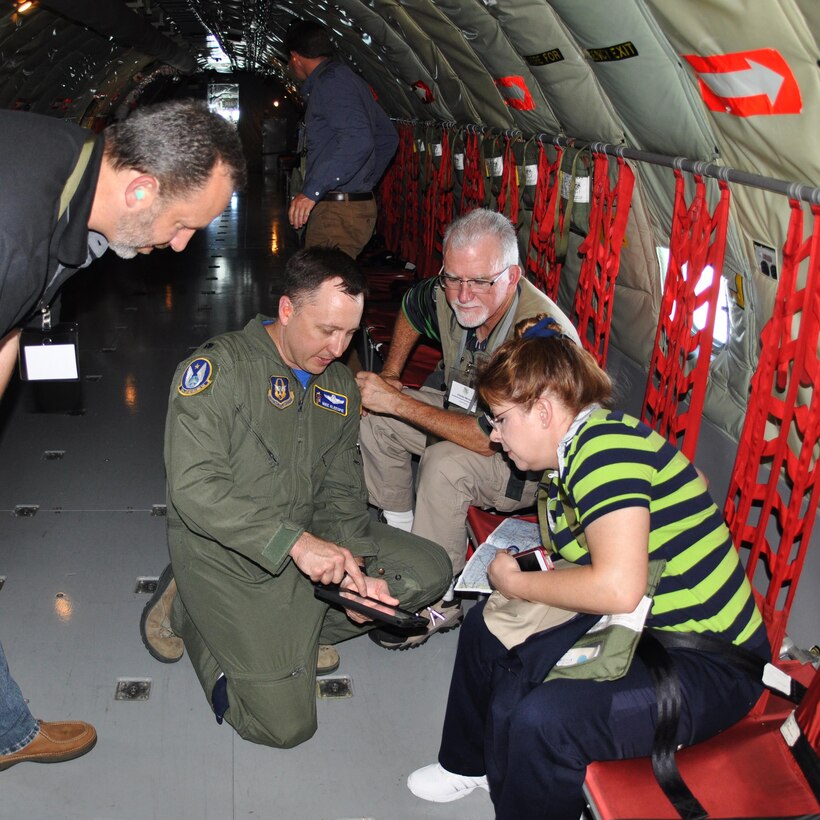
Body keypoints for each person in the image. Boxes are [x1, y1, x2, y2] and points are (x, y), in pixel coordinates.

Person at [406, 316, 769, 819]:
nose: (494, 438)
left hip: (711, 663)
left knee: (545, 721)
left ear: (544, 410)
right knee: (488, 632)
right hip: (646, 619)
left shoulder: (601, 451)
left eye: (501, 419)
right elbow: (694, 482)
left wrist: (519, 580)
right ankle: (468, 767)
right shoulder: (575, 453)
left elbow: (619, 587)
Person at [0, 100, 246, 771]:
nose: (181, 244)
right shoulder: (14, 230)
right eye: (183, 224)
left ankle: (6, 730)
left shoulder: (71, 169)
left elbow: (11, 325)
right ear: (141, 187)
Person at [139, 247, 450, 748]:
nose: (338, 346)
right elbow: (194, 490)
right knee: (285, 727)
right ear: (287, 310)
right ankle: (188, 613)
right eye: (326, 329)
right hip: (226, 557)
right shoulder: (219, 373)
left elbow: (343, 491)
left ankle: (296, 634)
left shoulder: (340, 387)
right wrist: (297, 544)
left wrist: (360, 573)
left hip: (308, 543)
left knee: (429, 571)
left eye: (349, 333)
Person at [356, 209, 579, 649]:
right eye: (453, 278)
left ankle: (437, 597)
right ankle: (407, 546)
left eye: (479, 281)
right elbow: (411, 306)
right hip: (468, 413)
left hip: (524, 464)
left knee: (444, 462)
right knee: (377, 419)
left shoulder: (538, 338)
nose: (462, 294)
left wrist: (396, 399)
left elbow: (488, 437)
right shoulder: (446, 291)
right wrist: (393, 376)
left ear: (512, 276)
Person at [285, 20, 398, 259]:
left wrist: (313, 191)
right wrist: (362, 183)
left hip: (337, 213)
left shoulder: (331, 84)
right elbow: (387, 136)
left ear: (295, 57)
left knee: (321, 288)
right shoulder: (351, 80)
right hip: (351, 206)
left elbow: (359, 140)